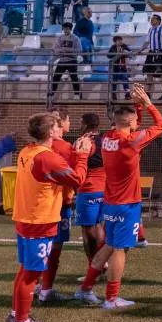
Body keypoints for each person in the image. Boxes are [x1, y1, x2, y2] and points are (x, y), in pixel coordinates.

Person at [75, 85, 162, 309]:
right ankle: (112, 298)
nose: (138, 124)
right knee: (119, 250)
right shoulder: (131, 142)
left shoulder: (108, 138)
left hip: (111, 201)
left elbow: (133, 126)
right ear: (130, 123)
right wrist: (147, 104)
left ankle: (85, 288)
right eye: (135, 120)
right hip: (127, 204)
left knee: (107, 246)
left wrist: (137, 107)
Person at [7, 113, 90, 322]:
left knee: (25, 270)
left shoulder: (27, 151)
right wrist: (82, 155)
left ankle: (17, 314)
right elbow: (77, 180)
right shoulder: (47, 157)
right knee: (32, 274)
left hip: (26, 217)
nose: (60, 127)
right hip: (40, 221)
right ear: (51, 132)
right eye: (56, 126)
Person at [35, 108, 77, 303]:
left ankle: (36, 284)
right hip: (58, 203)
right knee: (54, 248)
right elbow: (75, 178)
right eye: (68, 121)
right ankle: (45, 290)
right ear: (60, 124)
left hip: (36, 204)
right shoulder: (65, 148)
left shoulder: (32, 149)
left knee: (39, 247)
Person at [73, 113, 106, 269]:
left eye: (80, 122)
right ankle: (102, 261)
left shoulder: (85, 141)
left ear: (85, 124)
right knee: (98, 225)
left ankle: (94, 265)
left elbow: (77, 162)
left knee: (87, 230)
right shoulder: (106, 140)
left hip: (88, 189)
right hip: (104, 188)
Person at [139, 15, 162, 101]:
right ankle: (148, 94)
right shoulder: (150, 30)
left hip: (160, 52)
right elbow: (147, 42)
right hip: (151, 53)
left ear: (158, 21)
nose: (151, 20)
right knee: (149, 72)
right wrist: (140, 50)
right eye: (151, 19)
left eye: (153, 19)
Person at [49, 23, 81, 101]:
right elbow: (55, 49)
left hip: (72, 61)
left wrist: (65, 50)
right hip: (62, 60)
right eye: (64, 29)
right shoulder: (59, 38)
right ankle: (52, 94)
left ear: (70, 29)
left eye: (67, 29)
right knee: (56, 77)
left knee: (74, 78)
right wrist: (65, 51)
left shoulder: (76, 38)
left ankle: (77, 94)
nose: (65, 30)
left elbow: (78, 50)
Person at [107, 36, 131, 100]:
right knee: (114, 82)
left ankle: (127, 94)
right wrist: (117, 54)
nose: (120, 41)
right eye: (118, 40)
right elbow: (108, 55)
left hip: (123, 67)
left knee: (125, 81)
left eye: (121, 40)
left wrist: (126, 52)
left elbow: (130, 52)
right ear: (115, 42)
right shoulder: (112, 47)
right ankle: (114, 95)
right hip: (115, 68)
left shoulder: (124, 46)